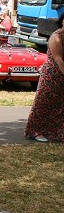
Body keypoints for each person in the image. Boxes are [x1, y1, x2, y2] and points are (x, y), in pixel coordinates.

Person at [24, 13, 64, 143]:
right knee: (44, 102)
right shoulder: (56, 37)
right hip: (52, 73)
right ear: (62, 22)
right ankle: (35, 131)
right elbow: (58, 59)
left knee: (59, 105)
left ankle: (54, 131)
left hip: (61, 73)